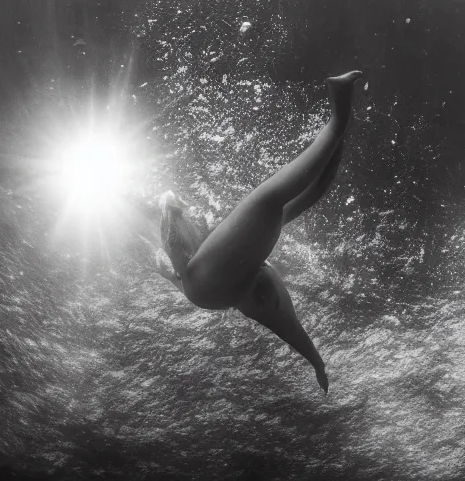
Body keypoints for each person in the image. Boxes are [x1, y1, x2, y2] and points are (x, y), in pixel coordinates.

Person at [151, 70, 363, 394]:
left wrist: (317, 363)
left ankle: (337, 128)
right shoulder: (239, 279)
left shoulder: (242, 283)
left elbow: (291, 332)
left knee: (281, 205)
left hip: (212, 287)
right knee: (274, 203)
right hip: (210, 285)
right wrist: (316, 362)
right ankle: (337, 123)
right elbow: (291, 331)